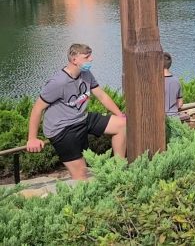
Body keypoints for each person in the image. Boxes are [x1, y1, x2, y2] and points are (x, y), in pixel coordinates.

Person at [25, 44, 127, 181]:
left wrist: (119, 114)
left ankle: (118, 170)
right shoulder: (58, 82)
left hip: (81, 118)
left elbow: (101, 96)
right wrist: (32, 138)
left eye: (90, 55)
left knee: (122, 124)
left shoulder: (86, 74)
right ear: (74, 60)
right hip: (62, 128)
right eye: (86, 57)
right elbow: (37, 108)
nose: (91, 59)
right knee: (81, 174)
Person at [163, 52, 183, 118]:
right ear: (170, 64)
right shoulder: (177, 81)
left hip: (161, 120)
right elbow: (180, 104)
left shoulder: (155, 82)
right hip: (175, 118)